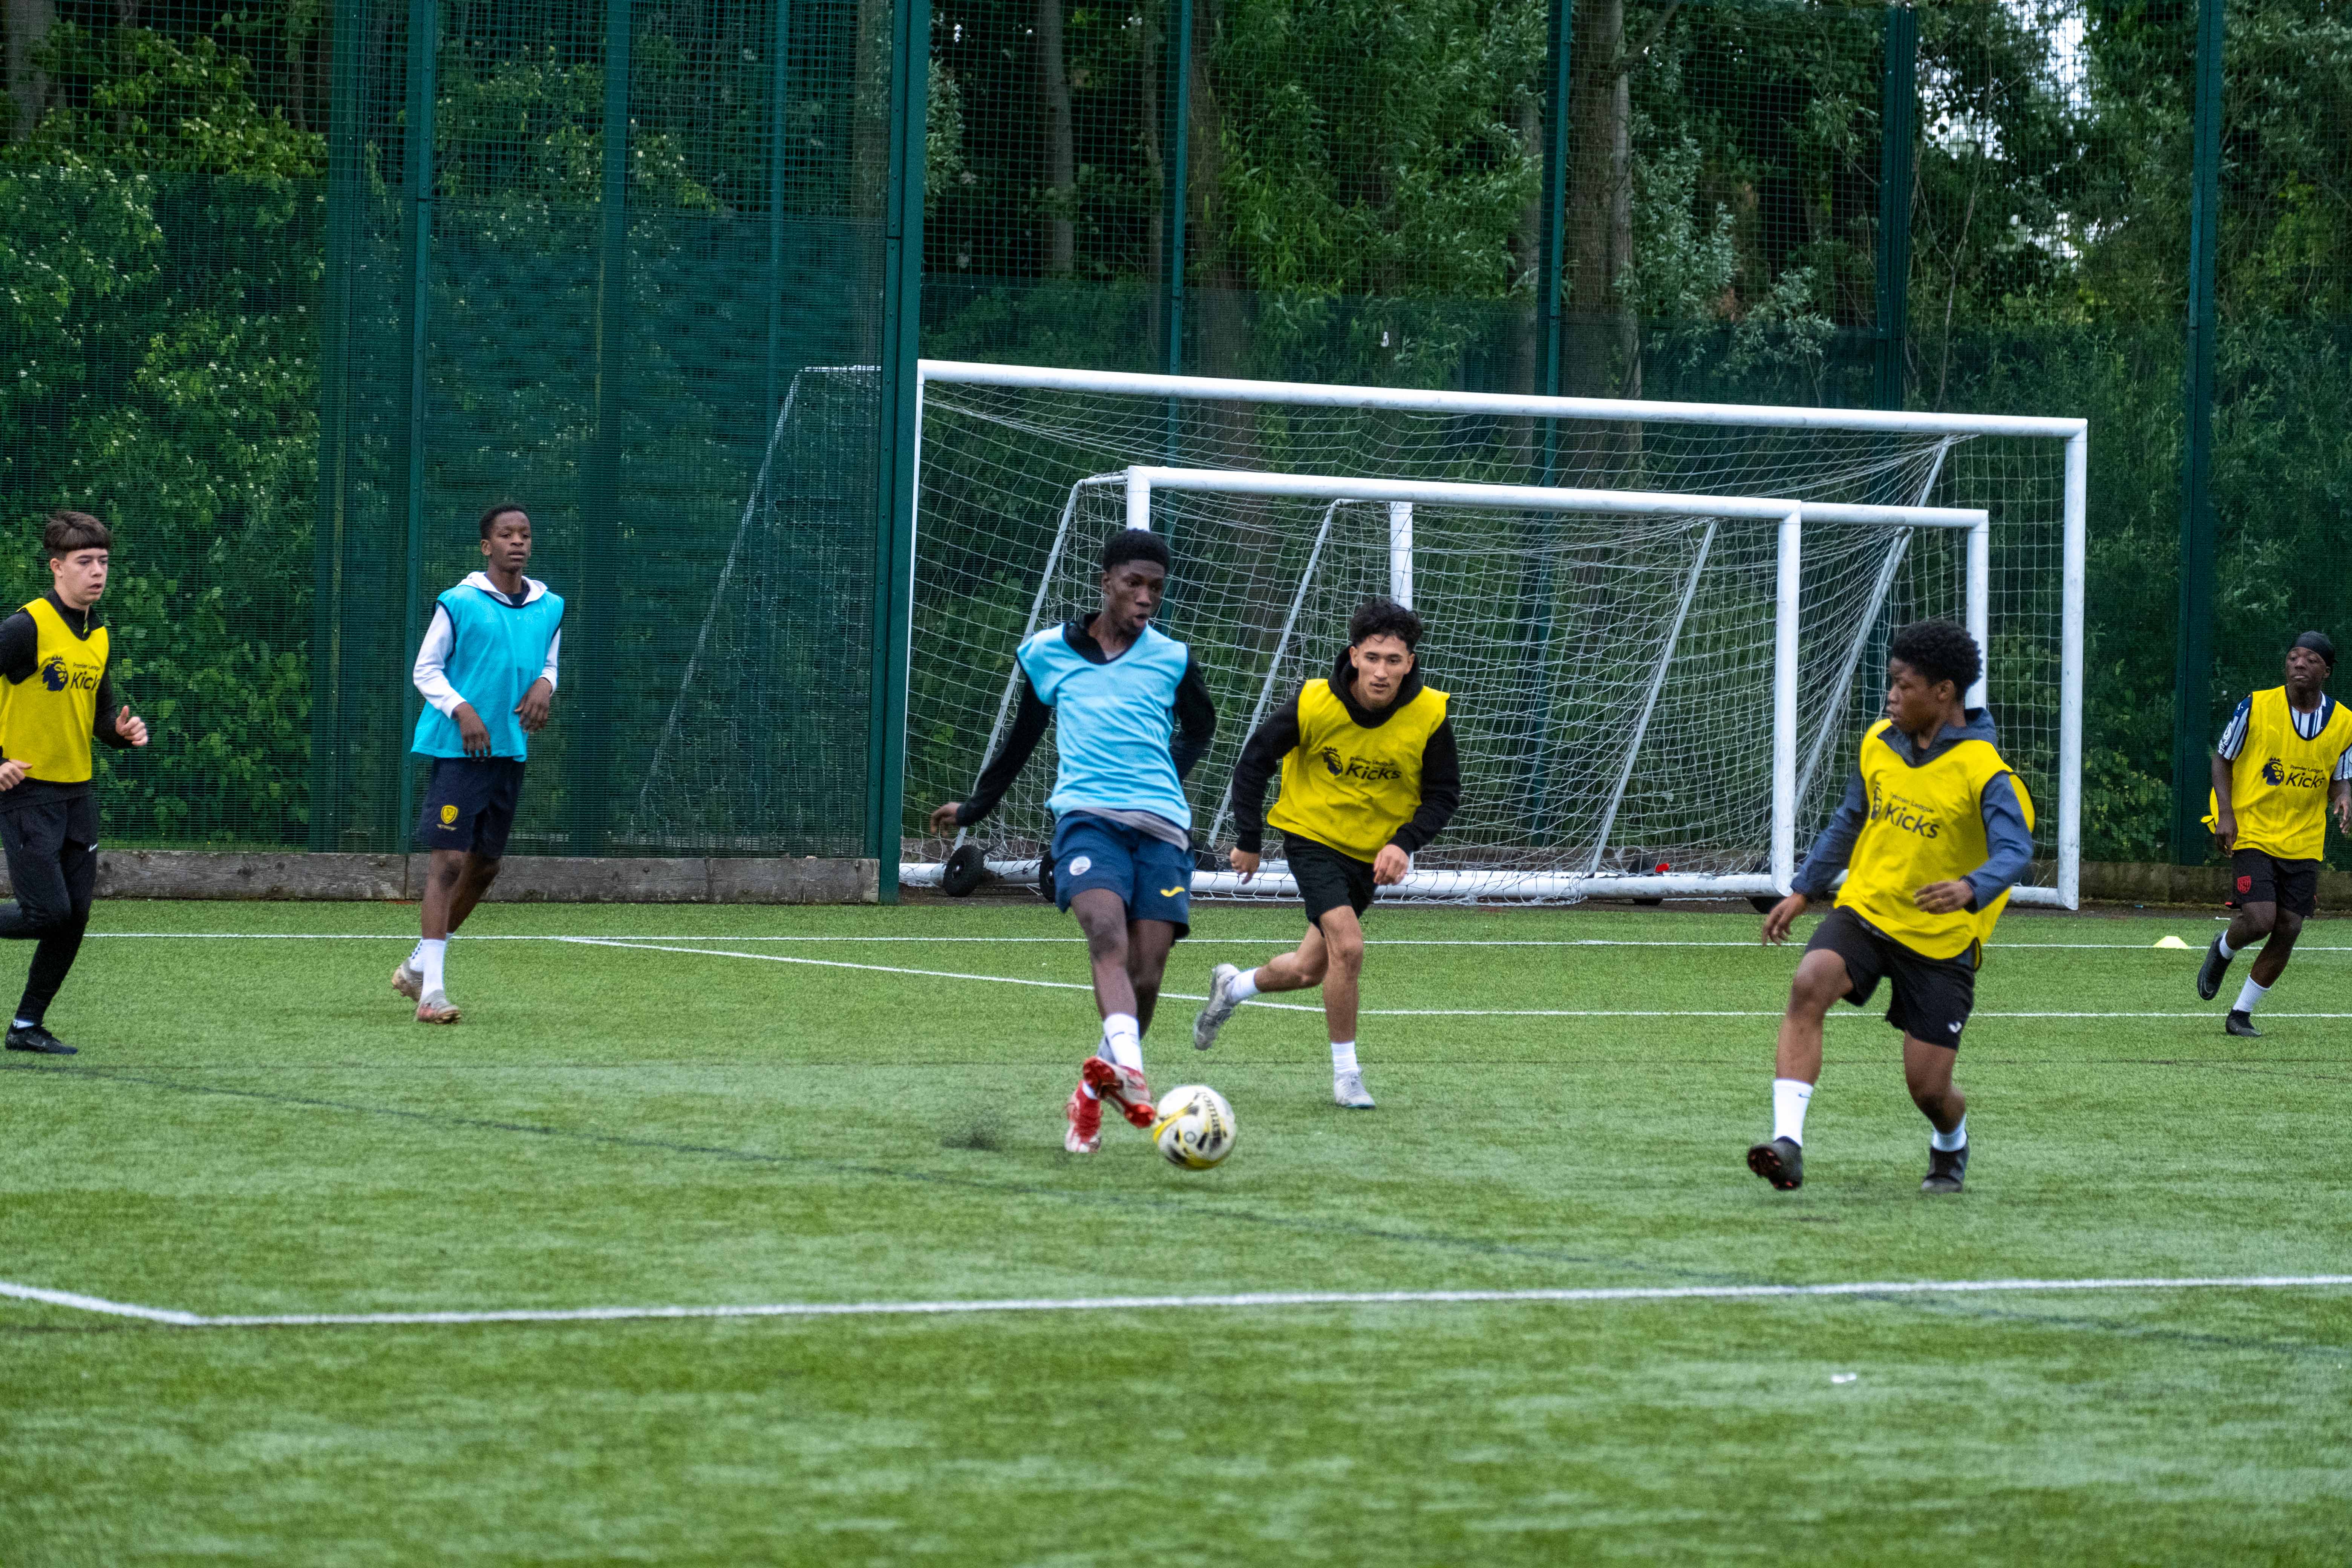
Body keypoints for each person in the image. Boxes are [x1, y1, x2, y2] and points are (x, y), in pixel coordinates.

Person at [929, 529, 1216, 1153]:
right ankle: (1132, 1072)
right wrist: (976, 806)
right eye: (1134, 585)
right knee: (1106, 936)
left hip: (1162, 828)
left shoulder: (1172, 658)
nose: (1145, 599)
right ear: (1105, 581)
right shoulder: (1048, 653)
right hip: (1086, 820)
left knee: (1148, 972)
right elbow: (1021, 739)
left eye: (1156, 590)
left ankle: (1094, 1088)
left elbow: (1202, 728)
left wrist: (1164, 775)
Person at [1749, 620, 2034, 1195]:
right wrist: (1805, 889)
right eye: (1891, 684)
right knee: (1810, 981)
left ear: (1944, 692)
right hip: (1868, 912)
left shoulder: (1986, 772)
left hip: (1939, 941)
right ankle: (1789, 1143)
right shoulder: (1879, 742)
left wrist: (1971, 887)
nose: (1892, 696)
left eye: (1905, 686)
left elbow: (2016, 850)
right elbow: (1850, 819)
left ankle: (1951, 1144)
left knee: (1928, 1089)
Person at [1191, 598, 1460, 1109]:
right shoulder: (1315, 703)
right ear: (1355, 655)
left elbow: (1444, 793)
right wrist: (1249, 840)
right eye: (1374, 658)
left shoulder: (1429, 715)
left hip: (1370, 855)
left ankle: (1233, 987)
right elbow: (1254, 762)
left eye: (1395, 661)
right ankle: (1348, 1076)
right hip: (1311, 838)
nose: (1383, 671)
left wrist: (1403, 843)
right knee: (1350, 946)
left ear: (1410, 663)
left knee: (1308, 970)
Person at [392, 504, 564, 1024]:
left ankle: (421, 963)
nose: (518, 542)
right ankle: (432, 995)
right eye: (506, 535)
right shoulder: (459, 602)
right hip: (458, 752)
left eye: (525, 534)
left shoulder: (550, 605)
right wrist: (462, 708)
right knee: (448, 863)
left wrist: (545, 685)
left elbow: (551, 663)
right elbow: (427, 670)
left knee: (485, 867)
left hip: (509, 750)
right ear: (486, 547)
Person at [0, 512, 151, 1055]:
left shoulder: (98, 633)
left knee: (75, 915)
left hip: (76, 794)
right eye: (84, 562)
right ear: (57, 567)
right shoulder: (26, 627)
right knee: (47, 913)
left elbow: (100, 714)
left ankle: (25, 1027)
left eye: (104, 562)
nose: (97, 572)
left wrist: (121, 730)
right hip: (26, 795)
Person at [2196, 632, 2352, 1037]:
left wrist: (2344, 798)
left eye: (2311, 659)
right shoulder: (2257, 704)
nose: (2300, 664)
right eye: (2294, 657)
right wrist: (2226, 814)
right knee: (2261, 918)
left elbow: (2340, 778)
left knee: (2289, 927)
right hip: (2253, 828)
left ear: (2327, 672)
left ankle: (2241, 1013)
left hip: (2303, 838)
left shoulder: (2345, 722)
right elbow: (2222, 758)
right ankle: (2224, 949)